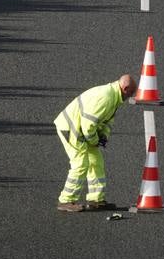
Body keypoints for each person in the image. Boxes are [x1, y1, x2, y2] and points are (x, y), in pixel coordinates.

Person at [54, 74, 137, 212]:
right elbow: (88, 125)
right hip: (71, 129)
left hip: (82, 130)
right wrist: (95, 140)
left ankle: (96, 200)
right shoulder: (106, 97)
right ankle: (66, 200)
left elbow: (108, 120)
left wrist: (104, 135)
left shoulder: (115, 96)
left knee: (96, 161)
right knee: (80, 164)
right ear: (125, 88)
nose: (131, 96)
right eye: (131, 93)